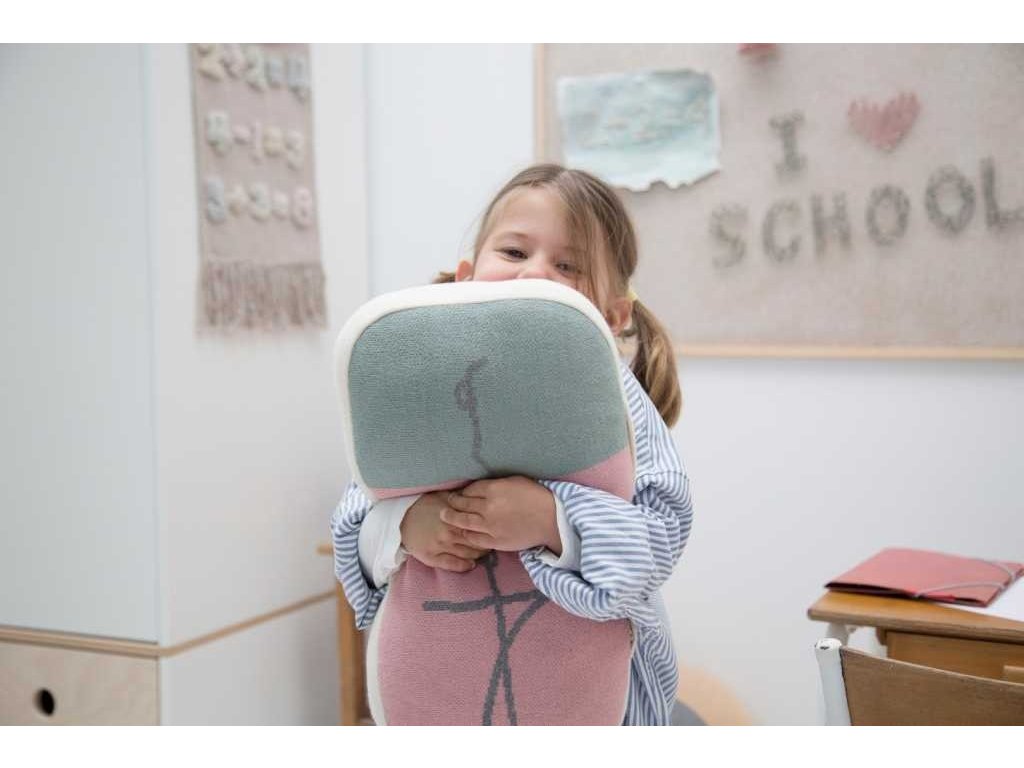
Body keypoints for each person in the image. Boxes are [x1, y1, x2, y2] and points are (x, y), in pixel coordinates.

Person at [331, 163, 694, 725]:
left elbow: (661, 535)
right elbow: (355, 517)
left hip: (594, 696)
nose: (535, 274)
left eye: (568, 265)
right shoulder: (423, 384)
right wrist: (405, 525)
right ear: (466, 277)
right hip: (435, 689)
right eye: (515, 252)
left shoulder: (619, 401)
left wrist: (553, 520)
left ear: (612, 314)